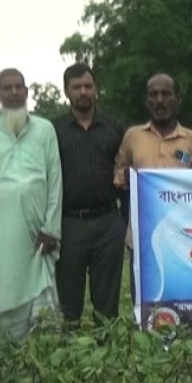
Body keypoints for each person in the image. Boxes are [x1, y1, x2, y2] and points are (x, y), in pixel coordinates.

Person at [0, 68, 63, 340]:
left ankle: (42, 357)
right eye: (6, 88)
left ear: (26, 92)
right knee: (6, 297)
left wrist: (51, 228)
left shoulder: (44, 129)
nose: (13, 93)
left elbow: (55, 179)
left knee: (44, 315)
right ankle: (9, 357)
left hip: (38, 234)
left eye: (18, 87)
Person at [115, 74, 192, 302]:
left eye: (166, 94)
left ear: (177, 99)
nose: (160, 100)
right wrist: (125, 176)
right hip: (142, 235)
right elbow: (118, 171)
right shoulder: (133, 136)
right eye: (153, 95)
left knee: (183, 300)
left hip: (183, 237)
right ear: (147, 101)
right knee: (144, 300)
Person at [52, 62, 127, 325]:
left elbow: (126, 170)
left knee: (107, 300)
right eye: (76, 87)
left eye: (88, 86)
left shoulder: (115, 128)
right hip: (69, 222)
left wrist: (125, 220)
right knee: (67, 297)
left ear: (96, 90)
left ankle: (106, 342)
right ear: (66, 91)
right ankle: (69, 342)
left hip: (108, 221)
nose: (83, 92)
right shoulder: (53, 130)